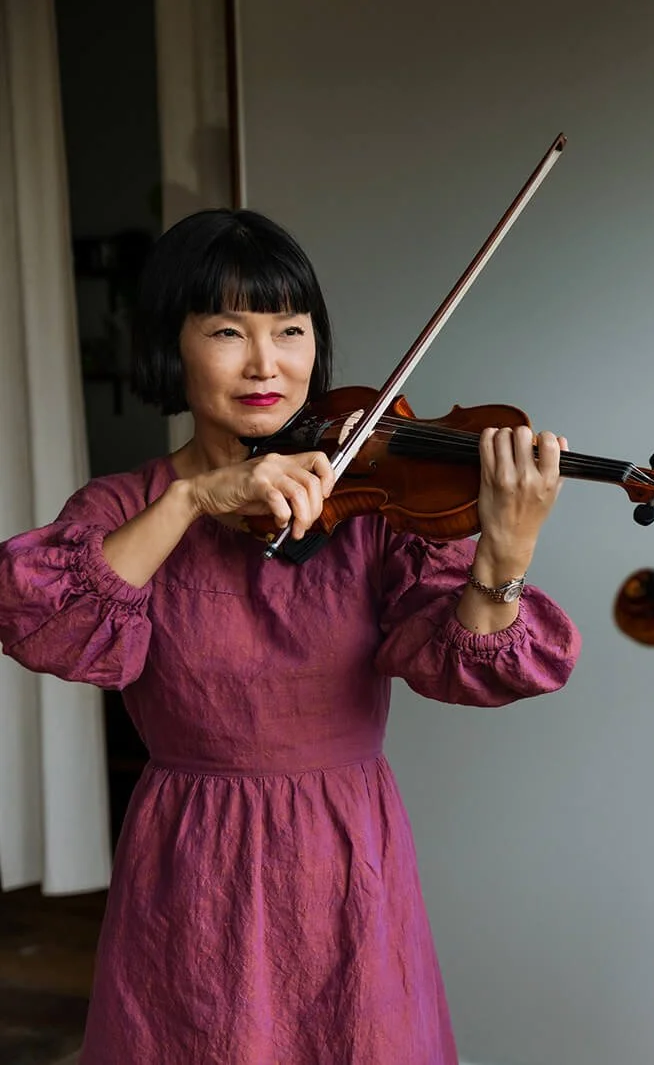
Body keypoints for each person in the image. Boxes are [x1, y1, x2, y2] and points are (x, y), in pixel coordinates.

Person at [0, 209, 581, 1063]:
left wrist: (507, 550)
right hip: (192, 868)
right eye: (229, 330)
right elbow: (43, 621)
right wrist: (195, 499)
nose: (267, 363)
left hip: (346, 861)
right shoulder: (128, 509)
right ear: (175, 344)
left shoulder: (370, 507)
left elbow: (467, 663)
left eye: (291, 330)